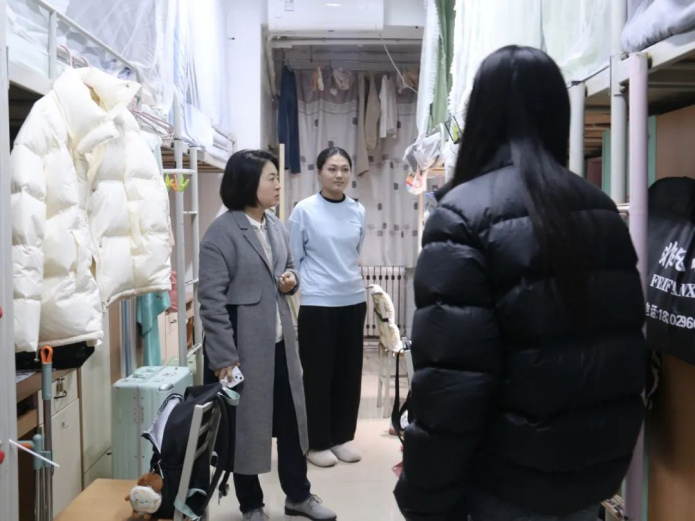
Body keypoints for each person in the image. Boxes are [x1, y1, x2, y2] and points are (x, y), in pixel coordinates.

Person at [394, 46, 648, 521]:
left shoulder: (460, 216)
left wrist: (423, 494)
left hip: (503, 481)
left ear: (481, 116)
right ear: (557, 113)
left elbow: (451, 382)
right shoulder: (599, 208)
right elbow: (624, 349)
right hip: (588, 474)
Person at [199, 150, 337, 521]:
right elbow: (211, 302)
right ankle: (251, 505)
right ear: (248, 183)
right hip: (242, 351)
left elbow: (289, 267)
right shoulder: (221, 233)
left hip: (280, 346)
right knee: (246, 429)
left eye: (277, 177)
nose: (278, 185)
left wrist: (291, 280)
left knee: (293, 425)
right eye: (271, 178)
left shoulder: (275, 225)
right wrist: (224, 358)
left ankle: (299, 496)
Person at [288, 147, 368, 468]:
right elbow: (294, 258)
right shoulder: (304, 211)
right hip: (318, 303)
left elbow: (355, 252)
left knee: (349, 374)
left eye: (345, 169)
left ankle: (341, 437)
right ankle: (316, 442)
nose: (339, 175)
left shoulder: (358, 210)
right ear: (319, 172)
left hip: (353, 299)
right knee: (318, 375)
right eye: (332, 169)